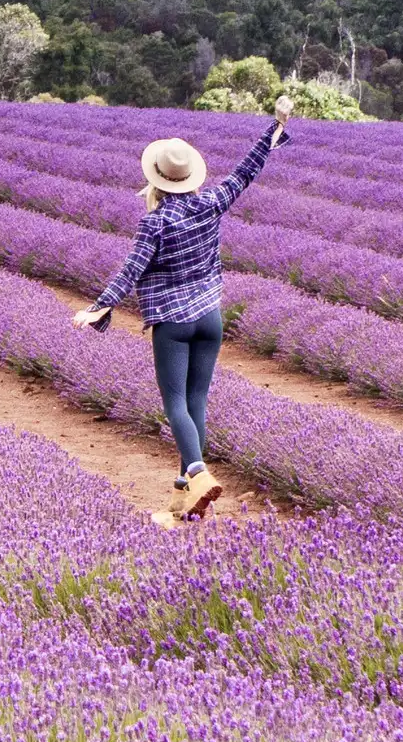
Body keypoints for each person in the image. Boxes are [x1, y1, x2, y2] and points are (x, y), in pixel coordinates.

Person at [73, 115, 287, 518]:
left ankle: (198, 473)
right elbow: (244, 172)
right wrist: (272, 131)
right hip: (209, 318)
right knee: (196, 401)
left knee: (174, 403)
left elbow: (130, 270)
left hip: (173, 323)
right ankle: (184, 494)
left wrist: (99, 306)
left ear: (157, 178)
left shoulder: (154, 222)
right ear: (190, 176)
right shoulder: (211, 202)